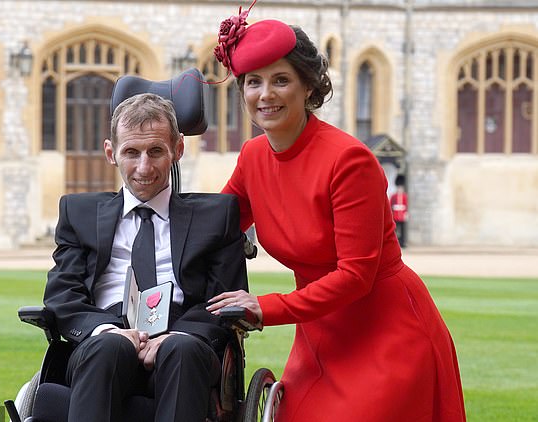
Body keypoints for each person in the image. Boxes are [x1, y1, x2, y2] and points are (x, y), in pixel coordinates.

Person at [206, 5, 466, 421]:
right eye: (253, 82)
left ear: (309, 87)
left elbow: (356, 277)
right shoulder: (253, 156)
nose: (265, 94)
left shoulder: (349, 160)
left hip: (386, 332)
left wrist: (265, 307)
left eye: (281, 80)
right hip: (319, 338)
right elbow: (213, 227)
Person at [43, 93, 248, 422]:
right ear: (111, 153)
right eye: (131, 152)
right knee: (107, 349)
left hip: (184, 338)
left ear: (177, 150)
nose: (144, 167)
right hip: (105, 335)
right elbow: (62, 295)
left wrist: (179, 334)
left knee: (182, 350)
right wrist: (105, 330)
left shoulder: (218, 216)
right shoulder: (77, 212)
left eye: (156, 151)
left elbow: (225, 298)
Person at [390, 174, 409, 247]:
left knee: (403, 230)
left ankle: (402, 242)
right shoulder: (393, 196)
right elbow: (391, 205)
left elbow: (406, 205)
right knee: (395, 230)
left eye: (401, 188)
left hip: (402, 215)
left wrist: (406, 213)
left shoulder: (404, 196)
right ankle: (396, 243)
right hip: (395, 215)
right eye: (399, 188)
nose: (400, 189)